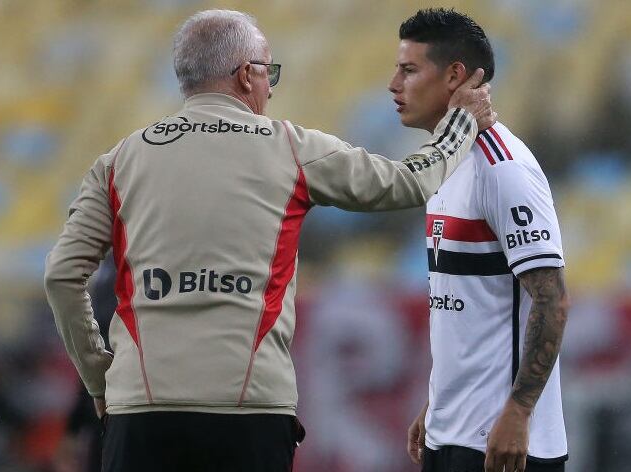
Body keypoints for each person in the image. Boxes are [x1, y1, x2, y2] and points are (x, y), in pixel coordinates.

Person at [44, 9, 495, 472]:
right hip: (249, 410)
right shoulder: (291, 148)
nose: (271, 88)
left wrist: (100, 377)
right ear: (246, 75)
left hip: (141, 410)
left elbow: (62, 276)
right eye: (268, 73)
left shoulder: (119, 160)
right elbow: (409, 183)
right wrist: (460, 122)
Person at [391, 9, 570, 472]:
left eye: (409, 70)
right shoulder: (445, 163)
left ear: (454, 75)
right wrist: (438, 403)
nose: (394, 85)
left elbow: (551, 300)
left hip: (500, 444)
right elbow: (469, 307)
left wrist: (519, 412)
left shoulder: (503, 169)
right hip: (450, 432)